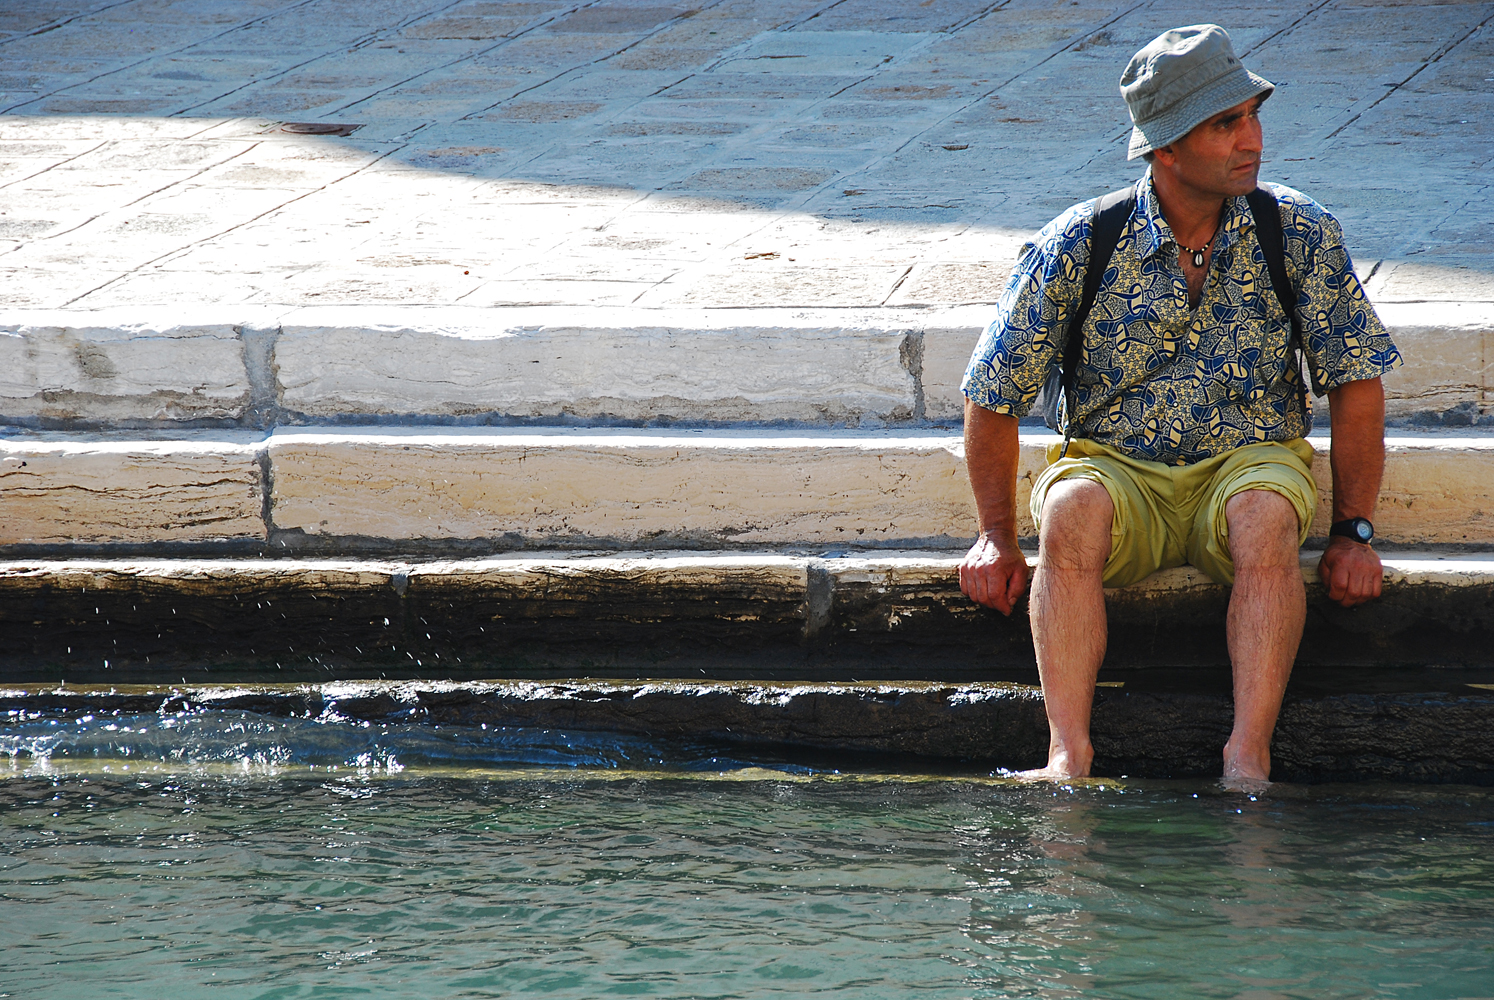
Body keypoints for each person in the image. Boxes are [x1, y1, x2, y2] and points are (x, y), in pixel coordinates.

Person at [957, 24, 1401, 783]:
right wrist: (997, 535)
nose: (1251, 139)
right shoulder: (1078, 240)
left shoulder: (1298, 231)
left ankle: (1247, 756)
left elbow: (1357, 383)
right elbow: (992, 396)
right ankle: (1068, 754)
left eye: (1253, 116)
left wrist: (1354, 531)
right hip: (1114, 467)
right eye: (1225, 123)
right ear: (1164, 147)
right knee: (1069, 512)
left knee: (1265, 516)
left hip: (1251, 462)